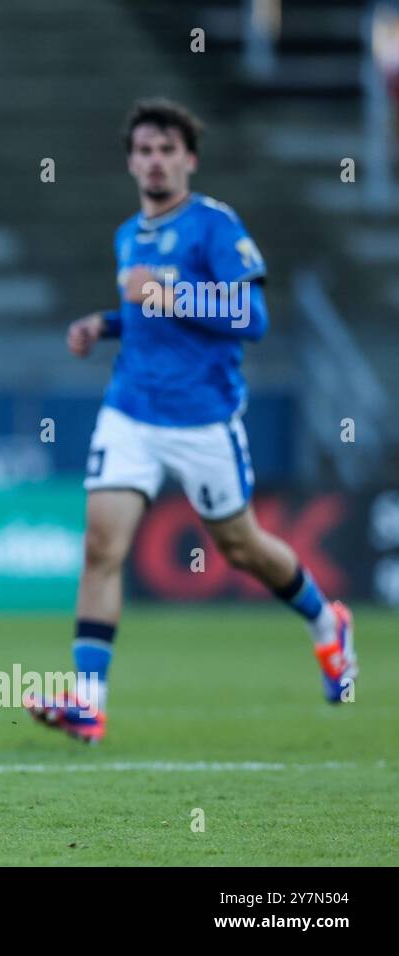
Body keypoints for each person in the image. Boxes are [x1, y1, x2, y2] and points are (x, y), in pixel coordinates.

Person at [25, 99, 357, 743]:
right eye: (144, 150)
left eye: (167, 149)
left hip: (204, 418)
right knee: (101, 546)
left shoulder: (214, 226)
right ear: (131, 161)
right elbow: (149, 313)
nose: (155, 160)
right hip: (131, 412)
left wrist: (166, 292)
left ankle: (326, 623)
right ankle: (89, 702)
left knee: (241, 547)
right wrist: (107, 323)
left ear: (189, 158)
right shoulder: (130, 235)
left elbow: (252, 316)